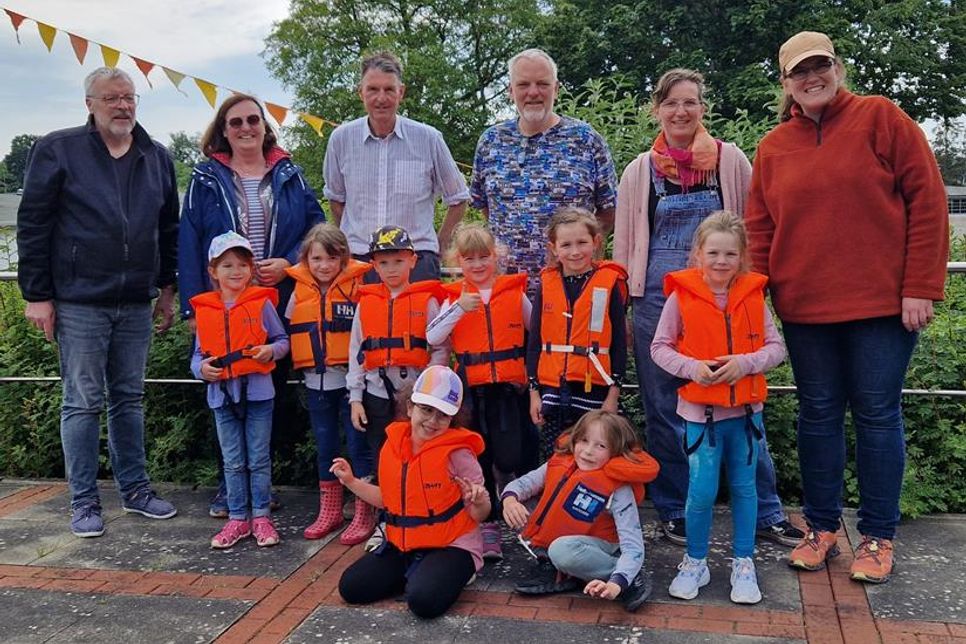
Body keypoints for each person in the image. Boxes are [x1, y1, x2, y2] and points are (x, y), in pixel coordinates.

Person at [745, 31, 949, 584]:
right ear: (785, 83)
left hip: (883, 307)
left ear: (837, 68)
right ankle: (821, 529)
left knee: (878, 416)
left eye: (821, 66)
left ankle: (878, 536)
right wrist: (751, 302)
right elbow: (760, 230)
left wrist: (922, 286)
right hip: (805, 308)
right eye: (799, 71)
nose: (812, 77)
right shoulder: (773, 146)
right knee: (817, 417)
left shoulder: (880, 118)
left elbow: (927, 201)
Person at [614, 68, 803, 549]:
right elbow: (626, 241)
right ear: (657, 109)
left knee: (744, 403)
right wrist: (625, 295)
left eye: (690, 102)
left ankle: (766, 512)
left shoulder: (729, 161)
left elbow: (753, 226)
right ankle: (675, 507)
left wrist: (751, 286)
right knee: (664, 407)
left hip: (726, 295)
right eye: (672, 103)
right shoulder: (640, 169)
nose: (681, 111)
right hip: (659, 298)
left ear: (703, 108)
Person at [17, 67, 179, 538]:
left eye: (128, 97)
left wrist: (167, 286)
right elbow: (33, 224)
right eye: (111, 98)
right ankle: (84, 502)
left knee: (130, 399)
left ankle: (136, 491)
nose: (122, 106)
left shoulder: (156, 156)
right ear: (90, 104)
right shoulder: (58, 149)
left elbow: (167, 228)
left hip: (135, 300)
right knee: (82, 402)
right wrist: (38, 294)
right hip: (79, 299)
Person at [178, 93, 324, 517]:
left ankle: (261, 489)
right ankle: (230, 489)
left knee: (266, 397)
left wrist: (292, 262)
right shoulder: (206, 178)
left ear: (265, 126)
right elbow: (188, 244)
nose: (246, 128)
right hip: (221, 307)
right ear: (223, 129)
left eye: (253, 120)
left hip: (274, 302)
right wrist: (192, 309)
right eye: (236, 121)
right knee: (224, 394)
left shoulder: (289, 173)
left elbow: (317, 230)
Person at [651, 211, 786, 604]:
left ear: (742, 256)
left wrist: (744, 363)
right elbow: (659, 347)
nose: (721, 261)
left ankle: (744, 561)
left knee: (746, 489)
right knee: (702, 491)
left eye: (730, 254)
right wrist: (693, 368)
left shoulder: (753, 297)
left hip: (745, 417)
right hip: (701, 417)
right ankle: (695, 560)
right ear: (698, 254)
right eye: (713, 252)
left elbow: (775, 349)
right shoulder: (680, 297)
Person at [333, 366, 490, 619]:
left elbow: (479, 514)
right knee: (351, 588)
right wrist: (350, 481)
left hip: (451, 545)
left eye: (442, 415)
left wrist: (480, 501)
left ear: (453, 419)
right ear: (409, 408)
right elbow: (388, 500)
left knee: (423, 603)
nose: (432, 421)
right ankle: (419, 572)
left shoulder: (459, 453)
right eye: (426, 410)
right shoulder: (393, 445)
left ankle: (452, 572)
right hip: (401, 545)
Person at [426, 223, 532, 561]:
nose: (477, 265)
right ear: (459, 261)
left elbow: (537, 331)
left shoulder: (515, 292)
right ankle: (488, 528)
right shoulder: (454, 298)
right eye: (469, 259)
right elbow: (432, 337)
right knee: (478, 458)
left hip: (509, 391)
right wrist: (459, 308)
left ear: (495, 257)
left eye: (484, 257)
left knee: (511, 457)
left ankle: (520, 511)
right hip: (473, 392)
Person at [471, 48, 618, 285]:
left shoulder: (586, 139)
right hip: (507, 287)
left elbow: (609, 210)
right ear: (510, 91)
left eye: (542, 84)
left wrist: (575, 250)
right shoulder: (490, 141)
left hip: (572, 286)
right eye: (523, 85)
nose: (533, 92)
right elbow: (486, 207)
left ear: (556, 89)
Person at [323, 51, 469, 282]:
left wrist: (438, 245)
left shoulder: (428, 138)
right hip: (360, 261)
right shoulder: (341, 139)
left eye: (389, 89)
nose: (381, 98)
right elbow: (336, 199)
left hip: (416, 261)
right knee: (361, 320)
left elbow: (459, 198)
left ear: (401, 92)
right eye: (373, 89)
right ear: (361, 92)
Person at [347, 225, 449, 548]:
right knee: (385, 462)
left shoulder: (428, 301)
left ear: (412, 261)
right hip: (377, 395)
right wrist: (355, 398)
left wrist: (428, 388)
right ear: (374, 265)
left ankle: (422, 520)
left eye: (398, 261)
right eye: (384, 263)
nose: (391, 269)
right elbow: (356, 352)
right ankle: (386, 524)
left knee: (420, 460)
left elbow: (441, 348)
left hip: (416, 397)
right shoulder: (366, 304)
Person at [502, 410, 659, 613]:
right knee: (517, 510)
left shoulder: (619, 489)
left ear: (616, 451)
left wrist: (616, 583)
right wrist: (509, 500)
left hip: (596, 546)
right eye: (583, 441)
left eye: (600, 446)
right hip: (563, 542)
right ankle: (558, 569)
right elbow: (525, 483)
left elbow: (634, 546)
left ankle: (628, 576)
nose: (587, 451)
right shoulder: (562, 462)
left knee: (562, 550)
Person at [190, 232, 290, 549]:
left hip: (259, 395)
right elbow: (197, 357)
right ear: (213, 271)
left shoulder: (261, 304)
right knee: (233, 461)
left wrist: (269, 352)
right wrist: (201, 370)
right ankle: (237, 518)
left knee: (258, 458)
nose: (236, 272)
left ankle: (260, 516)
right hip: (222, 398)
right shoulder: (207, 310)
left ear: (251, 269)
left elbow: (282, 342)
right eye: (228, 265)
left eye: (242, 265)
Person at [285, 223, 377, 544]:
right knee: (325, 447)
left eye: (331, 259)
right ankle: (331, 510)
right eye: (317, 259)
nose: (324, 266)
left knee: (357, 447)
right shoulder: (298, 293)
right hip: (315, 383)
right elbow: (290, 330)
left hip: (353, 387)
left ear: (343, 259)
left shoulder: (360, 290)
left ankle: (365, 510)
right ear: (307, 260)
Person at [527, 208, 627, 461]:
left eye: (582, 243)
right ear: (554, 248)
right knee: (555, 457)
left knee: (593, 456)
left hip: (594, 389)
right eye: (566, 244)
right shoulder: (546, 286)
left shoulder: (608, 283)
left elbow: (619, 344)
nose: (575, 252)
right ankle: (555, 499)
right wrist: (534, 393)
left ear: (595, 243)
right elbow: (535, 343)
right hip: (553, 388)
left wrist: (613, 395)